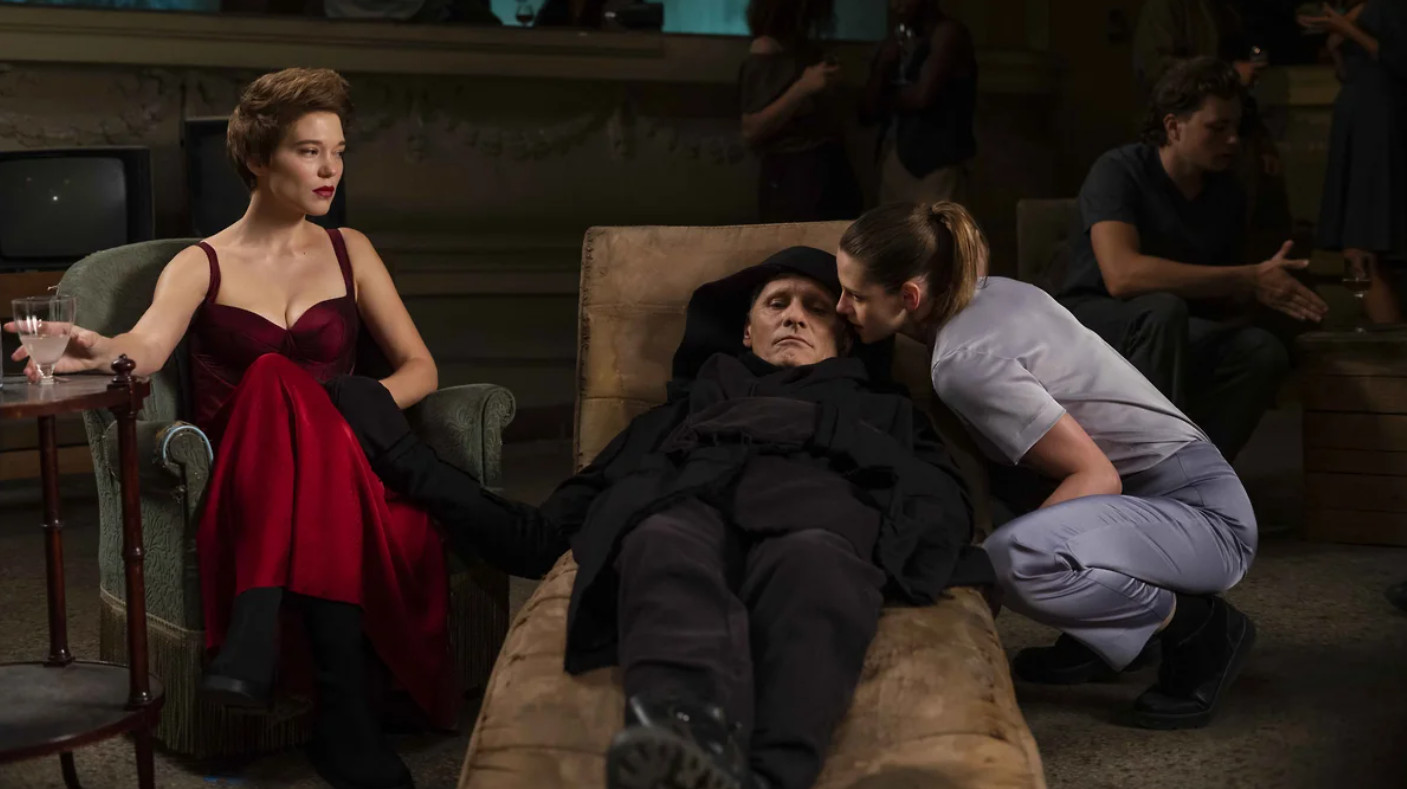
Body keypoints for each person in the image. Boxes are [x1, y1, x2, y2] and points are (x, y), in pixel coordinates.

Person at [326, 248, 991, 789]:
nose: (794, 315)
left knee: (811, 559)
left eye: (816, 307)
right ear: (745, 331)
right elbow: (537, 539)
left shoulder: (883, 412)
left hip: (817, 526)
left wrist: (822, 428)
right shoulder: (680, 415)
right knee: (662, 538)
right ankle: (681, 742)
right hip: (687, 515)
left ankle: (771, 775)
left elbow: (948, 509)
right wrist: (400, 452)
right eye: (776, 303)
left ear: (844, 338)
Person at [7, 68, 445, 789]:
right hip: (246, 478)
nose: (331, 169)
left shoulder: (350, 249)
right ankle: (343, 719)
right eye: (309, 151)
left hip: (340, 462)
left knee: (289, 386)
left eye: (338, 151)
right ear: (258, 158)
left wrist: (340, 413)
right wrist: (92, 346)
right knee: (273, 377)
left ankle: (256, 635)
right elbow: (145, 349)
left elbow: (420, 368)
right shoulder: (200, 262)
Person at [834, 200, 1259, 730]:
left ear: (910, 297)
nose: (841, 307)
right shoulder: (991, 292)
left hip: (1207, 521)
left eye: (855, 296)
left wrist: (995, 589)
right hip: (1166, 497)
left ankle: (1201, 629)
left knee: (1012, 560)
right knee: (1013, 496)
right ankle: (1107, 636)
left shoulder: (962, 363)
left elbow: (1097, 475)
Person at [1055, 56, 1326, 463]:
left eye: (1236, 128)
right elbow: (1122, 275)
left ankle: (1197, 469)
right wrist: (1246, 278)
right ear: (1173, 126)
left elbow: (1222, 289)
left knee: (1261, 350)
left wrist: (1267, 288)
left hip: (1174, 324)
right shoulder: (1120, 171)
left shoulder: (1227, 192)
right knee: (1164, 311)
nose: (1232, 141)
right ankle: (1148, 470)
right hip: (1094, 319)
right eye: (1217, 128)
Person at [1132, 0, 1292, 249]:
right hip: (1193, 139)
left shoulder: (1226, 9)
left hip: (1236, 142)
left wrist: (1262, 142)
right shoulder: (1169, 8)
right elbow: (1153, 67)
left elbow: (1238, 97)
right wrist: (1227, 71)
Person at [1299, 0, 1407, 324]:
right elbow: (1346, 73)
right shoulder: (1354, 5)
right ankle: (1390, 344)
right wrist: (1336, 44)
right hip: (1356, 118)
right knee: (1358, 246)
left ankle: (1394, 347)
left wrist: (1347, 30)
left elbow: (1399, 60)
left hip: (1382, 122)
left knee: (1366, 242)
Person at [739, 0, 862, 222]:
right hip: (794, 173)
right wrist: (803, 88)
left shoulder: (803, 46)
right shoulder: (767, 48)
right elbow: (751, 130)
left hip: (827, 166)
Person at [861, 0, 977, 205]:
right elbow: (866, 111)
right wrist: (882, 65)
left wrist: (886, 99)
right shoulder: (898, 40)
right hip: (897, 161)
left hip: (937, 166)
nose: (895, 7)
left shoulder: (948, 33)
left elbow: (922, 96)